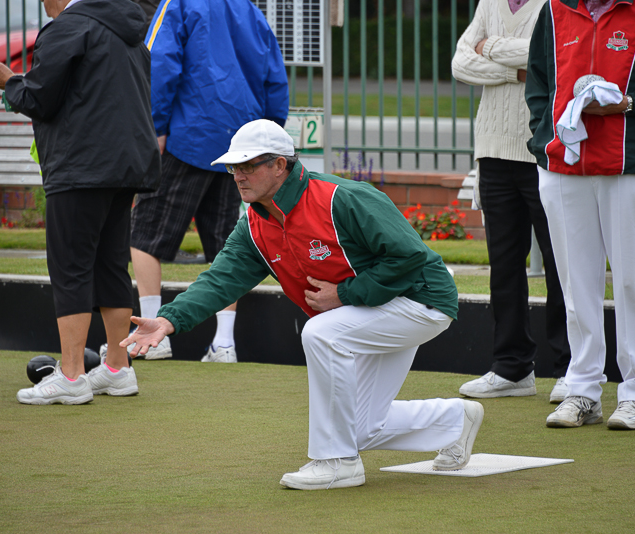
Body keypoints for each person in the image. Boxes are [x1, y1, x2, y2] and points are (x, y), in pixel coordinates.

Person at [121, 119, 485, 490]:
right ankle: (455, 420)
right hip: (372, 310)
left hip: (420, 299)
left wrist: (344, 294)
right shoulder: (253, 225)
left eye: (247, 166)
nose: (238, 176)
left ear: (280, 165)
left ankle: (337, 461)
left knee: (321, 333)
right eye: (233, 167)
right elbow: (220, 280)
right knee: (359, 427)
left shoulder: (342, 197)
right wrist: (167, 321)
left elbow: (408, 256)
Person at [525, 0, 635, 428]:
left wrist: (629, 104)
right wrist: (543, 136)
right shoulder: (553, 10)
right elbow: (538, 85)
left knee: (632, 281)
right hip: (563, 166)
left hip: (630, 165)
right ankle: (583, 389)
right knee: (575, 284)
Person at [0, 0, 161, 404]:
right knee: (110, 264)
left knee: (71, 267)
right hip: (126, 165)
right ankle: (117, 368)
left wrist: (10, 82)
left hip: (81, 164)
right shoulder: (130, 31)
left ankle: (70, 375)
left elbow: (40, 99)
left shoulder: (68, 27)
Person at [117, 0, 290, 362]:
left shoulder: (178, 3)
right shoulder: (251, 11)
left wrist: (156, 126)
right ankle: (224, 343)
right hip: (240, 143)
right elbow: (275, 78)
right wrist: (267, 135)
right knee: (227, 245)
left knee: (145, 235)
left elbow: (159, 63)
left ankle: (153, 336)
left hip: (189, 135)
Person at [451, 0, 571, 403]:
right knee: (504, 267)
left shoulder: (555, 4)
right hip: (492, 151)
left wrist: (489, 47)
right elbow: (460, 64)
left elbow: (553, 55)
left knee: (561, 265)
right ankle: (512, 368)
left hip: (544, 150)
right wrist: (515, 71)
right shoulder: (489, 3)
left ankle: (573, 370)